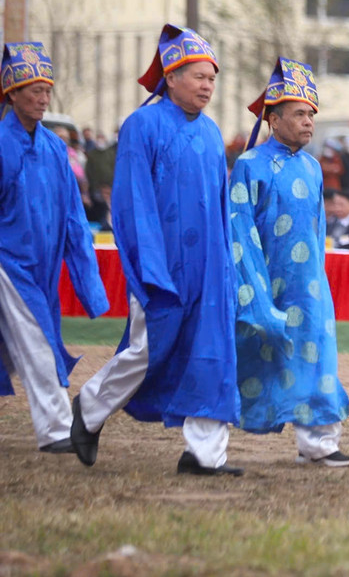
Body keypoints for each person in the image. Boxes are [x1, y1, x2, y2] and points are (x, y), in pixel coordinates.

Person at [70, 25, 241, 475]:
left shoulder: (210, 133)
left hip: (208, 267)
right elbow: (132, 201)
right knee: (149, 350)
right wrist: (149, 264)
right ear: (171, 75)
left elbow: (221, 205)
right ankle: (89, 408)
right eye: (199, 77)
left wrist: (225, 264)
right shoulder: (141, 125)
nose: (208, 86)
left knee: (212, 351)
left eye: (212, 79)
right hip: (162, 265)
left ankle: (205, 454)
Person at [229, 58, 349, 466]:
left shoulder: (314, 168)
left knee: (317, 355)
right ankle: (207, 439)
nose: (308, 122)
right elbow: (239, 230)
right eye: (299, 114)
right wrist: (253, 289)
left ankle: (319, 444)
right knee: (253, 354)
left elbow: (316, 232)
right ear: (272, 118)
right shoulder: (248, 166)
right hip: (264, 281)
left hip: (309, 284)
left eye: (311, 115)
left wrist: (316, 276)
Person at [0, 43, 109, 453]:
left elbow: (72, 218)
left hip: (40, 267)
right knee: (39, 342)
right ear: (11, 93)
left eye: (47, 90)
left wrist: (88, 280)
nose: (43, 98)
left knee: (15, 349)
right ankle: (58, 429)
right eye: (34, 90)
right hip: (8, 264)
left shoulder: (52, 149)